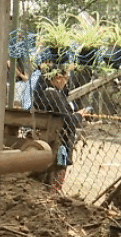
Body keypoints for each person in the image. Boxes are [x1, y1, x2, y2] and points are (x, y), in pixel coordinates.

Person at [31, 64, 83, 193]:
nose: (66, 82)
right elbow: (68, 121)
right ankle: (55, 190)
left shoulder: (43, 95)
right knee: (62, 163)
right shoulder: (54, 96)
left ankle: (50, 189)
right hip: (60, 142)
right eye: (66, 79)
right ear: (58, 78)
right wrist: (79, 116)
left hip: (48, 139)